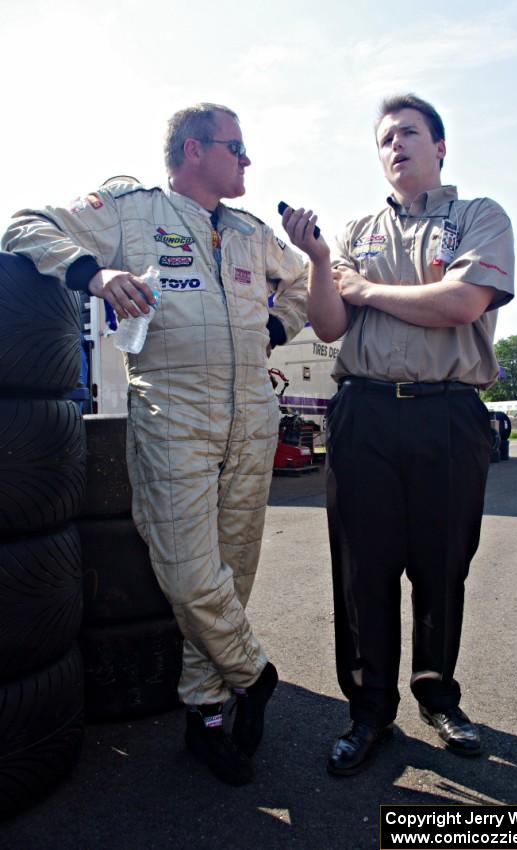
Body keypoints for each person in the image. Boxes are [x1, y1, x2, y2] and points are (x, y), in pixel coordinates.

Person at [2, 103, 308, 786]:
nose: (248, 160)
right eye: (237, 147)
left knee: (233, 567)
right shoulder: (130, 211)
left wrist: (276, 333)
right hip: (173, 406)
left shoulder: (254, 234)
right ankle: (253, 673)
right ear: (194, 150)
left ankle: (204, 714)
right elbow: (24, 225)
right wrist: (95, 274)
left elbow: (304, 283)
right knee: (188, 569)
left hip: (252, 411)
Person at [282, 94, 514, 776]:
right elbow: (328, 327)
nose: (395, 146)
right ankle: (368, 710)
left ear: (440, 146)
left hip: (448, 412)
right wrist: (324, 263)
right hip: (364, 413)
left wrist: (369, 292)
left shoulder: (477, 217)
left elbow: (461, 303)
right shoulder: (355, 232)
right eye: (384, 138)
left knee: (441, 565)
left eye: (409, 133)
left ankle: (436, 696)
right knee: (364, 571)